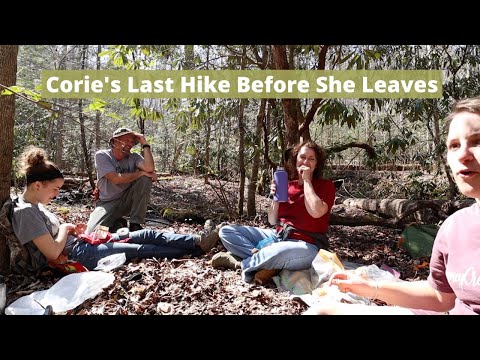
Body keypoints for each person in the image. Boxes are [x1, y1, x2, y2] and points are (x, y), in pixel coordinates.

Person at [305, 96, 480, 315]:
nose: (463, 154)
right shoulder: (454, 227)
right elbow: (440, 296)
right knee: (324, 311)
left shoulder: (325, 186)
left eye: (477, 141)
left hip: (310, 246)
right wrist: (372, 288)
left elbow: (318, 212)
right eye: (454, 145)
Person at [11, 146, 220, 271]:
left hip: (84, 243)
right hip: (81, 254)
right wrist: (66, 227)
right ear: (37, 185)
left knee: (145, 233)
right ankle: (196, 251)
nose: (57, 195)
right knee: (140, 249)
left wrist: (73, 230)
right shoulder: (25, 212)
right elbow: (53, 252)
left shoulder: (34, 205)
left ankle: (198, 241)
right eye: (55, 189)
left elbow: (52, 236)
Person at [212, 141, 336, 284]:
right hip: (278, 236)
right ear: (296, 160)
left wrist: (307, 181)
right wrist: (275, 197)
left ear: (316, 164)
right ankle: (267, 262)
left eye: (311, 159)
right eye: (302, 157)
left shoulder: (326, 186)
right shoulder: (288, 185)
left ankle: (239, 263)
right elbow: (272, 221)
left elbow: (316, 212)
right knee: (226, 231)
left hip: (306, 245)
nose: (306, 161)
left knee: (278, 252)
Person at [86, 127, 157, 234]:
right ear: (115, 141)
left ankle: (135, 224)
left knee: (145, 179)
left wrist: (145, 144)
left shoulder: (134, 157)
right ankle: (117, 223)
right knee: (93, 232)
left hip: (126, 201)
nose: (130, 143)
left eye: (132, 141)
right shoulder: (102, 155)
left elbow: (149, 168)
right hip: (107, 203)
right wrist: (141, 172)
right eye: (127, 140)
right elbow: (116, 179)